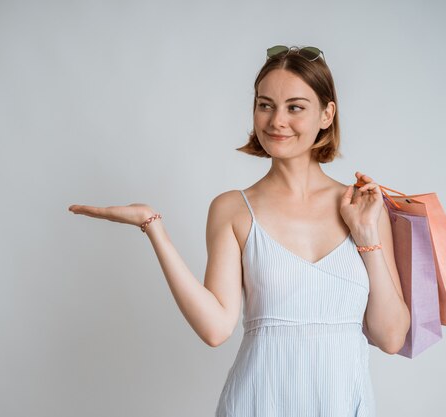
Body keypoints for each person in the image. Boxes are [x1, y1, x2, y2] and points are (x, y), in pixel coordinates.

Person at [68, 45, 410, 417]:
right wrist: (153, 227)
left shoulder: (364, 208)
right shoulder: (233, 209)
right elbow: (216, 329)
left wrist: (366, 236)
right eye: (265, 105)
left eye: (295, 107)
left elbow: (390, 338)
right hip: (257, 403)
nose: (277, 121)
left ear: (327, 114)